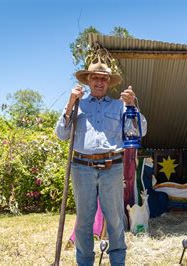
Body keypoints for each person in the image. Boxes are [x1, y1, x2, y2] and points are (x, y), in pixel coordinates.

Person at [55, 57, 147, 265]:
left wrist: (132, 105)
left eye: (103, 79)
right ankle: (85, 262)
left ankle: (118, 262)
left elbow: (141, 130)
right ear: (88, 80)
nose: (99, 82)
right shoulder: (78, 105)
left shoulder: (119, 106)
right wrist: (70, 103)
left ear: (108, 82)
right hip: (81, 167)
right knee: (84, 221)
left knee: (115, 218)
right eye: (95, 78)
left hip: (112, 167)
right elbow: (61, 134)